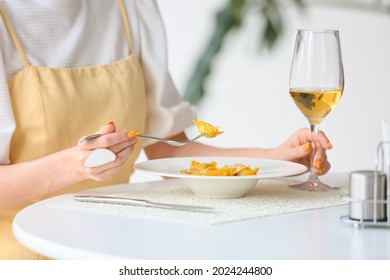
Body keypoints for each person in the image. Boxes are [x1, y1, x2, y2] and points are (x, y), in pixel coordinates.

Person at [0, 0, 332, 260]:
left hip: (115, 249)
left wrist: (273, 160)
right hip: (26, 256)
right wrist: (74, 165)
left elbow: (169, 151)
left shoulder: (128, 7)